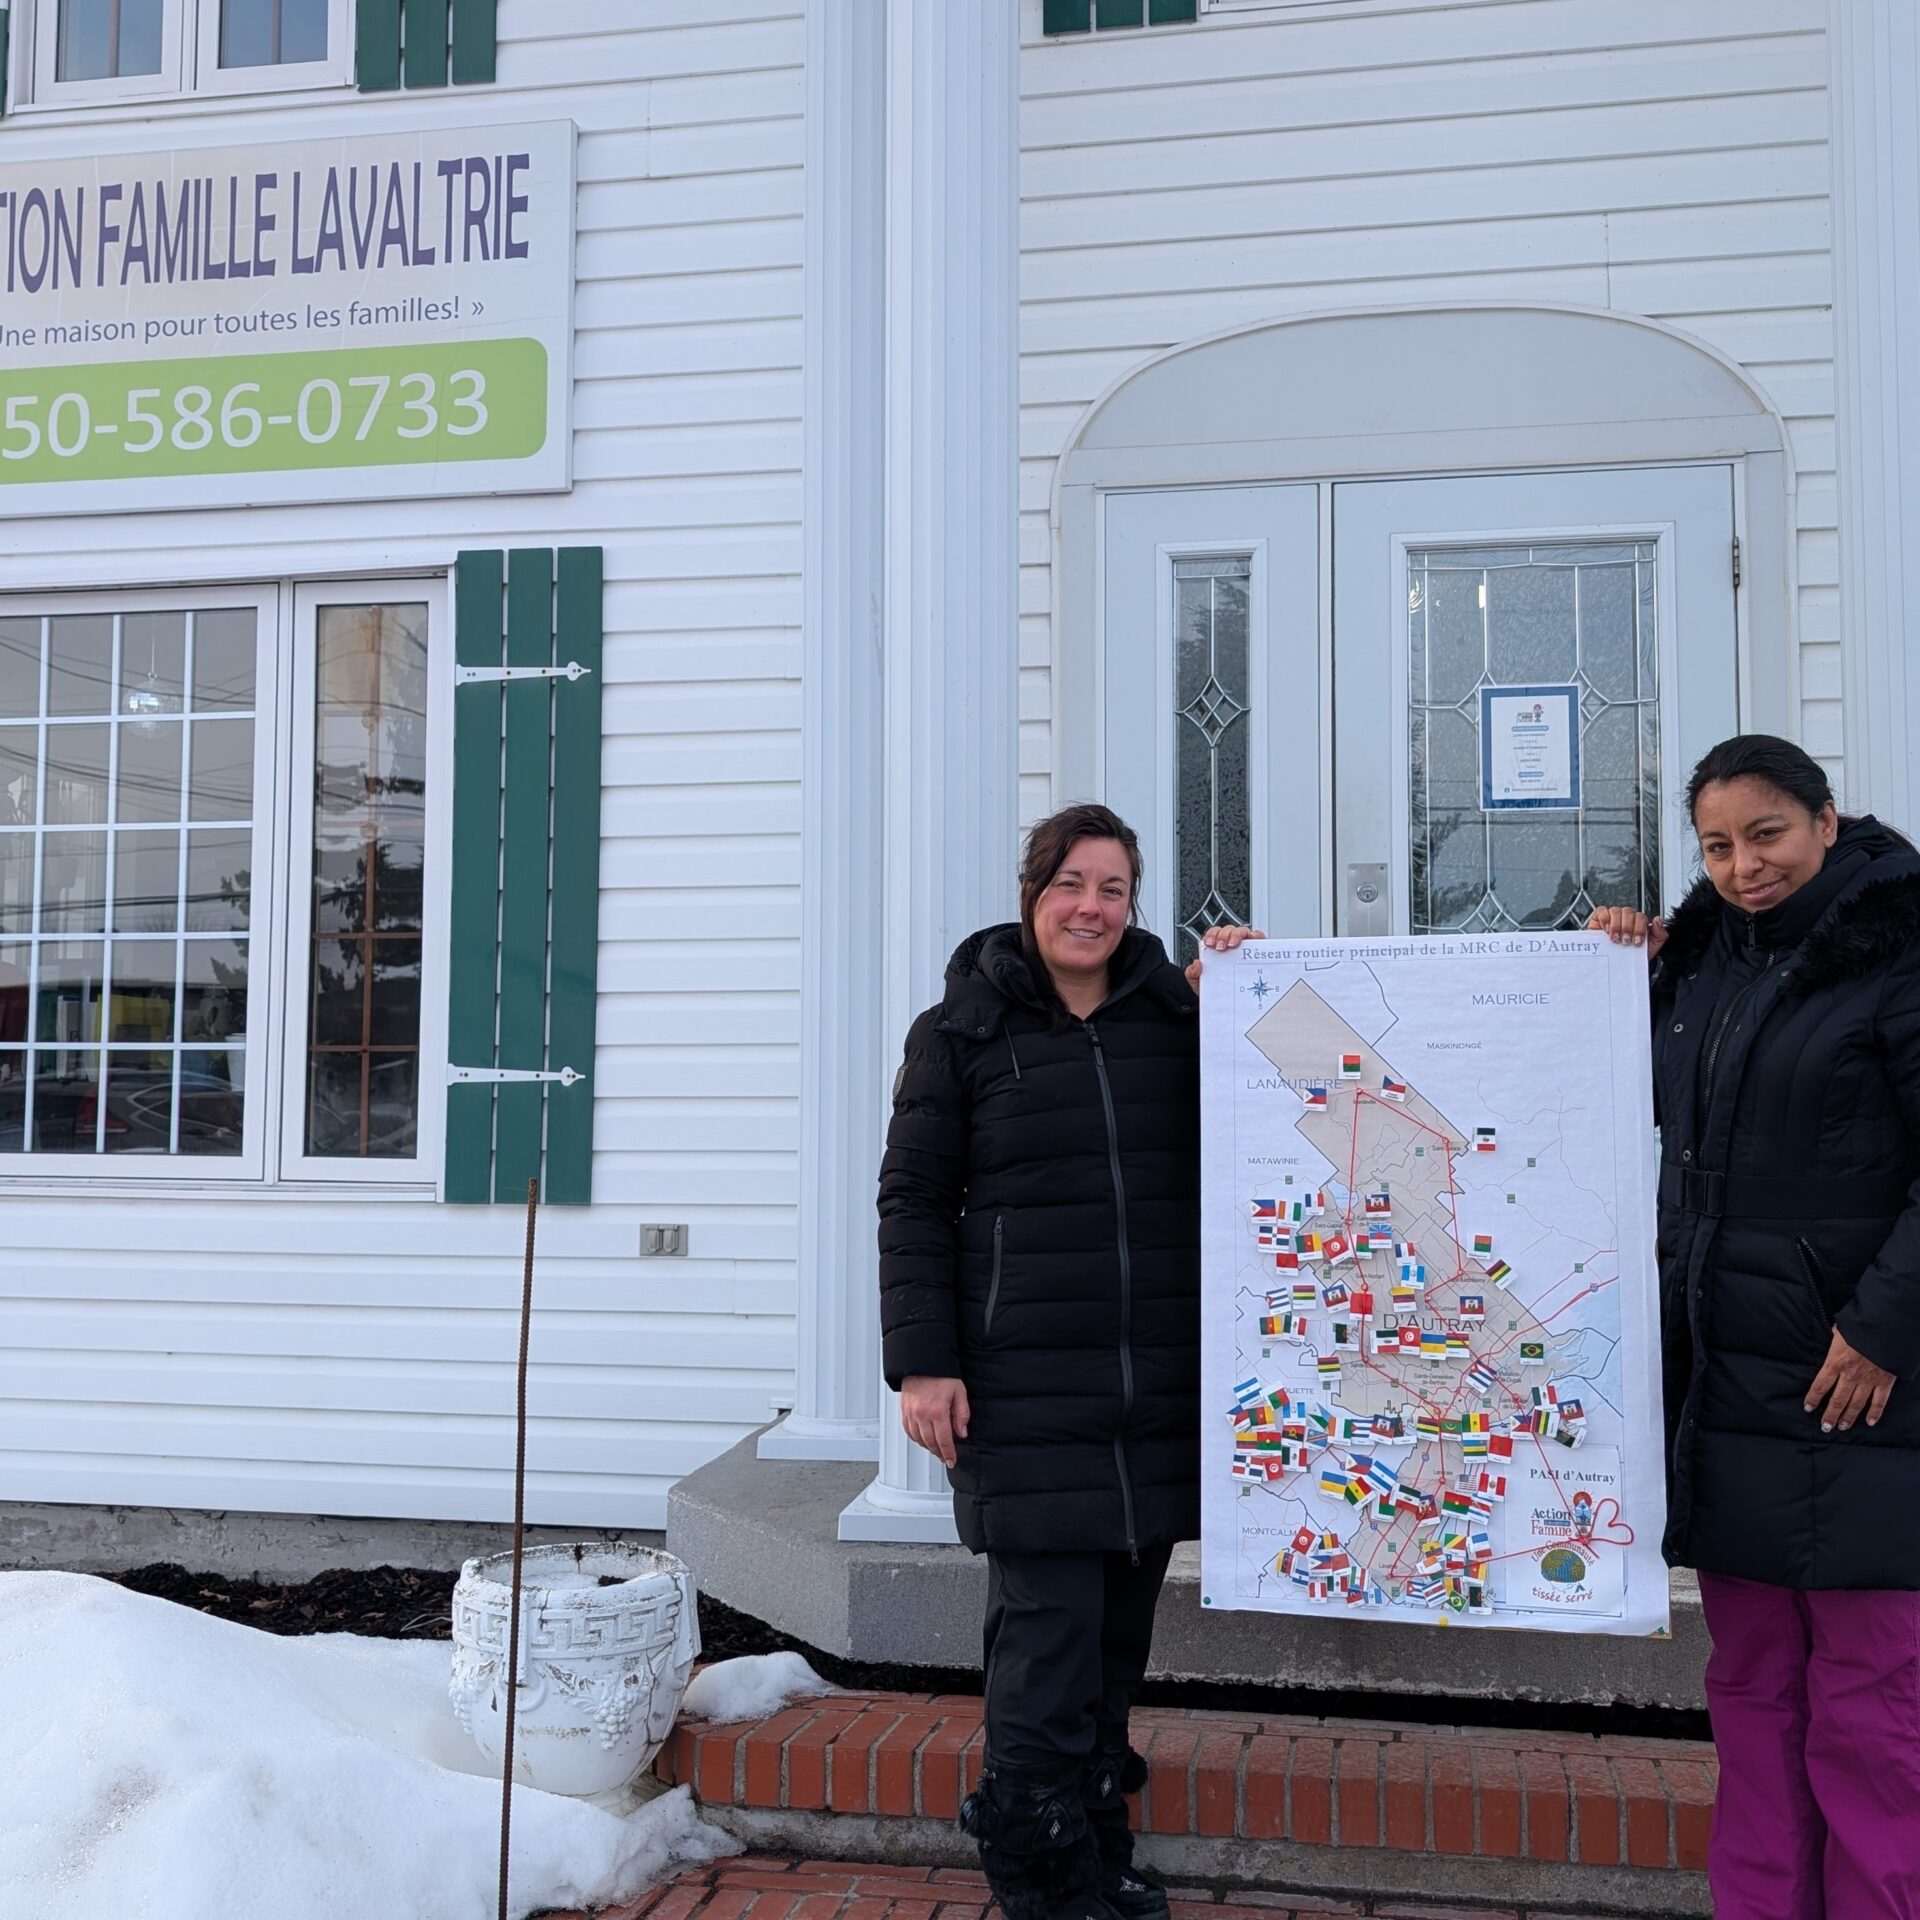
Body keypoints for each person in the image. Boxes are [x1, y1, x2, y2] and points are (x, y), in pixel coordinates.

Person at [877, 803, 1256, 1920]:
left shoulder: (1177, 1018)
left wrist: (1251, 987)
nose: (1092, 908)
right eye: (1070, 885)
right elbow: (913, 1201)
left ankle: (1096, 1851)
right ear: (1033, 892)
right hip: (1022, 1384)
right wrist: (923, 1363)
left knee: (1113, 1649)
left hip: (1152, 1387)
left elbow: (1278, 1112)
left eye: (1114, 890)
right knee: (1045, 1650)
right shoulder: (961, 1030)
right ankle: (1043, 1885)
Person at [1589, 733, 1920, 1919]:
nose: (1744, 866)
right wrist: (1614, 966)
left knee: (1874, 1716)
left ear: (1827, 822)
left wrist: (1887, 1327)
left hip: (1863, 1397)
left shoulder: (1902, 950)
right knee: (1755, 1699)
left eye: (1767, 834)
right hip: (1727, 1392)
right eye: (1718, 846)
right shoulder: (1701, 970)